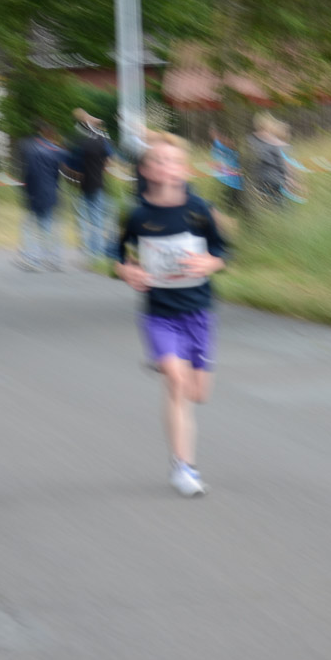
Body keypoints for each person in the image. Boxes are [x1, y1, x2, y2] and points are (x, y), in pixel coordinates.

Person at [115, 134, 227, 497]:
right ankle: (183, 467)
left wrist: (210, 263)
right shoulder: (137, 214)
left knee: (198, 394)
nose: (167, 167)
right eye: (159, 160)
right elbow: (117, 254)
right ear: (146, 170)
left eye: (174, 160)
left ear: (185, 169)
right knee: (176, 383)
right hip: (159, 313)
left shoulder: (199, 209)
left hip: (197, 310)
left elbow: (222, 251)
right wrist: (126, 270)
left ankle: (171, 360)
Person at [65, 108, 115, 263]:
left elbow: (69, 163)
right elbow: (110, 161)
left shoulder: (79, 142)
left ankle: (87, 248)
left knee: (82, 218)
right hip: (98, 183)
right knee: (97, 218)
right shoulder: (102, 141)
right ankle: (97, 252)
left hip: (80, 185)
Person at [17, 120, 65, 272]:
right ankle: (54, 258)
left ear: (39, 132)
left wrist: (26, 191)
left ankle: (33, 259)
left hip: (35, 193)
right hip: (51, 192)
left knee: (29, 227)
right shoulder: (56, 151)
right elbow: (57, 175)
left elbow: (29, 174)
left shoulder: (31, 150)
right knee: (49, 226)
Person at [246, 113, 290, 209]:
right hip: (275, 179)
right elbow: (281, 164)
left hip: (257, 178)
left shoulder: (249, 140)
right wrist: (287, 179)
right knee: (280, 206)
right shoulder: (274, 141)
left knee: (264, 204)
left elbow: (247, 161)